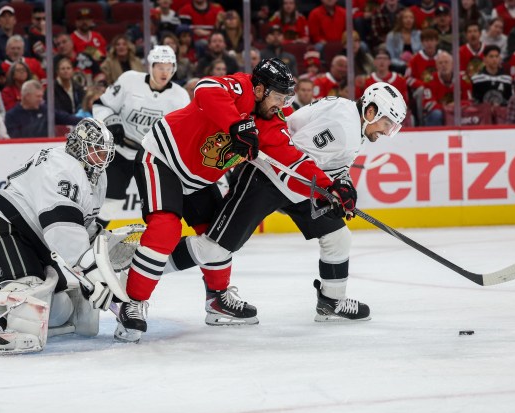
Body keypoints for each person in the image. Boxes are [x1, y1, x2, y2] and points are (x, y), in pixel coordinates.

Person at [163, 82, 407, 326]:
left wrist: (344, 187)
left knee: (337, 237)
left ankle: (331, 302)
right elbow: (290, 158)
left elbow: (333, 165)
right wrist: (330, 190)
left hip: (299, 184)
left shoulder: (353, 122)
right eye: (387, 124)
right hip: (267, 178)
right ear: (371, 111)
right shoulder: (343, 127)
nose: (386, 132)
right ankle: (147, 264)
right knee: (213, 249)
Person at [114, 58, 296, 343]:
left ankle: (217, 300)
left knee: (219, 237)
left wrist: (330, 186)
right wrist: (236, 124)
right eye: (278, 96)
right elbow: (206, 89)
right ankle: (131, 300)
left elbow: (293, 160)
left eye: (286, 98)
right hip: (162, 158)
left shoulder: (271, 122)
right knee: (165, 228)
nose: (281, 104)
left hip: (199, 180)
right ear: (260, 89)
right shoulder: (241, 88)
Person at [0, 118, 121, 355]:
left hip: (31, 238)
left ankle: (8, 310)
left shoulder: (96, 177)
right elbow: (62, 231)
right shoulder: (62, 165)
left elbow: (82, 228)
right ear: (78, 146)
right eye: (94, 150)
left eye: (104, 152)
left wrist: (105, 246)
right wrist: (93, 276)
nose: (100, 158)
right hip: (2, 225)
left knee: (60, 308)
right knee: (29, 288)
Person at [92, 45, 190, 228]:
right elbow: (101, 105)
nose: (165, 72)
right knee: (110, 202)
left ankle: (157, 239)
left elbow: (182, 132)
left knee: (160, 203)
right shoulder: (129, 80)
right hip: (120, 152)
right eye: (160, 67)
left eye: (169, 68)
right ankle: (93, 236)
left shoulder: (180, 96)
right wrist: (112, 122)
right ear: (151, 66)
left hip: (152, 158)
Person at [5, 80, 82, 138]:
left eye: (41, 96)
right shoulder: (12, 115)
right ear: (27, 96)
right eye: (38, 96)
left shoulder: (45, 110)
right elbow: (15, 137)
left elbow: (65, 118)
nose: (41, 99)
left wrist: (86, 120)